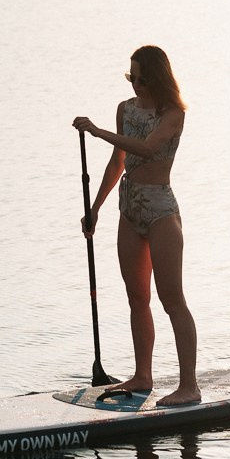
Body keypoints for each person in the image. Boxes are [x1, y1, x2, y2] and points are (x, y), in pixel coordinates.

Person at [73, 45, 200, 407]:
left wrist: (97, 132)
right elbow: (119, 161)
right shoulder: (125, 110)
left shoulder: (173, 113)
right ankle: (143, 374)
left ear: (158, 78)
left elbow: (145, 148)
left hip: (160, 210)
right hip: (129, 209)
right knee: (136, 297)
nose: (137, 86)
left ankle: (189, 386)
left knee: (171, 299)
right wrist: (94, 208)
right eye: (132, 78)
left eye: (143, 79)